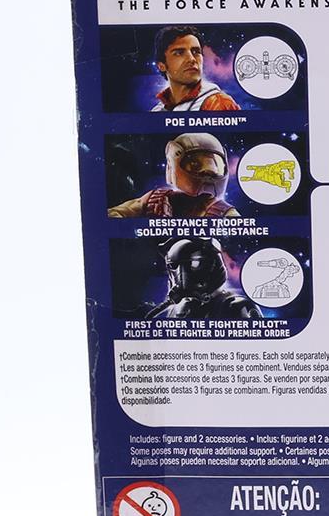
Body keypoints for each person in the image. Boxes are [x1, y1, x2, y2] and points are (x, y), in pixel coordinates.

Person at [108, 132, 240, 218]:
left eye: (213, 165)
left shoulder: (225, 213)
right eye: (195, 164)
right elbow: (116, 213)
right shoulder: (156, 199)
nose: (207, 172)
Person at [144, 238, 262, 321]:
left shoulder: (236, 307)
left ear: (213, 264)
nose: (182, 275)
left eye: (194, 264)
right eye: (174, 266)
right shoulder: (178, 309)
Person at [151, 27, 240, 112]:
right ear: (161, 66)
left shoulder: (217, 103)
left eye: (196, 52)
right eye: (179, 53)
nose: (192, 59)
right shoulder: (157, 110)